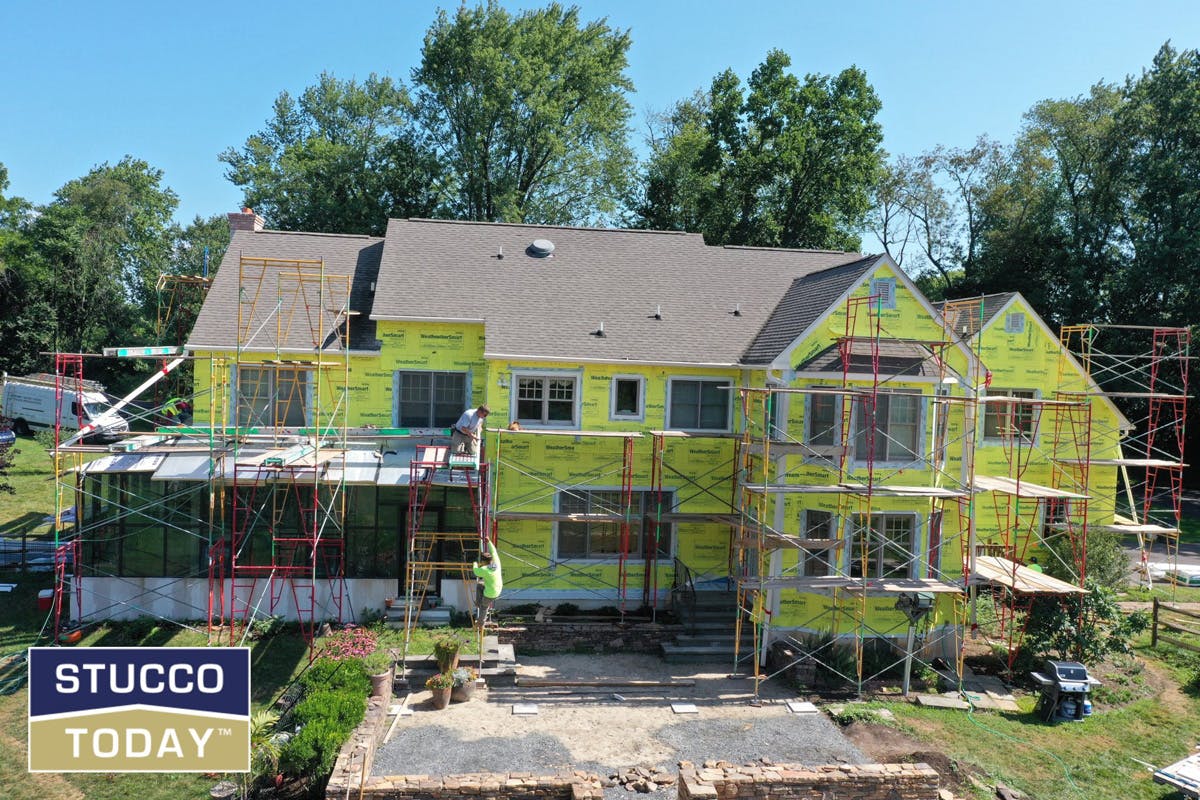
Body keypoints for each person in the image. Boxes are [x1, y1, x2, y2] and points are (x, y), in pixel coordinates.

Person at [472, 539, 503, 624]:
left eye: (481, 561)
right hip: (498, 589)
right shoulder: (496, 562)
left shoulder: (484, 569)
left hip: (490, 594)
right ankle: (478, 603)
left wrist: (474, 563)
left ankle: (480, 623)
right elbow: (493, 551)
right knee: (480, 585)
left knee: (484, 607)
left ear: (483, 562)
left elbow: (475, 571)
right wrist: (488, 541)